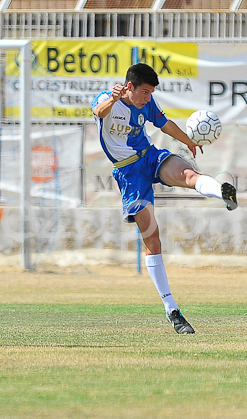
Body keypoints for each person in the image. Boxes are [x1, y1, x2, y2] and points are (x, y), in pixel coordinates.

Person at [92, 62, 238, 335]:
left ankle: (223, 193)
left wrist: (188, 140)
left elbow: (164, 123)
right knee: (152, 238)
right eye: (144, 92)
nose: (148, 98)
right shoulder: (108, 100)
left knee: (187, 174)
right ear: (130, 87)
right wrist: (112, 99)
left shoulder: (147, 103)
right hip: (128, 174)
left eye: (151, 93)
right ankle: (172, 310)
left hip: (149, 157)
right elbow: (99, 112)